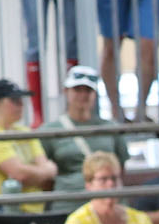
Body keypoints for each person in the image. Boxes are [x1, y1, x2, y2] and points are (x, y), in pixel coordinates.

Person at [37, 64, 123, 192]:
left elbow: (121, 166)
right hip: (68, 199)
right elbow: (44, 175)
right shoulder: (48, 131)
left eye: (88, 90)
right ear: (66, 91)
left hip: (105, 199)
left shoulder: (111, 128)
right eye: (77, 89)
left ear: (95, 94)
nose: (83, 95)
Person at [0, 79, 57, 212]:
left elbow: (46, 175)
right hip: (6, 211)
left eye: (21, 100)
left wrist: (34, 173)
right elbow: (20, 174)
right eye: (14, 100)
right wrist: (44, 171)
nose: (21, 105)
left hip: (37, 209)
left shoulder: (25, 132)